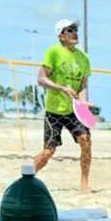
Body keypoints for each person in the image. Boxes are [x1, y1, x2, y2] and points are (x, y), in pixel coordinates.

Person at [34, 19, 92, 192]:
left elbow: (83, 85)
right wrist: (62, 88)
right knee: (48, 153)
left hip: (75, 111)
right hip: (54, 111)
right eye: (70, 30)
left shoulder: (83, 58)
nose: (75, 33)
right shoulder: (53, 52)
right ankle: (28, 175)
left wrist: (83, 102)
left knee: (86, 141)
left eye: (75, 30)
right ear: (60, 35)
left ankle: (84, 183)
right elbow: (41, 79)